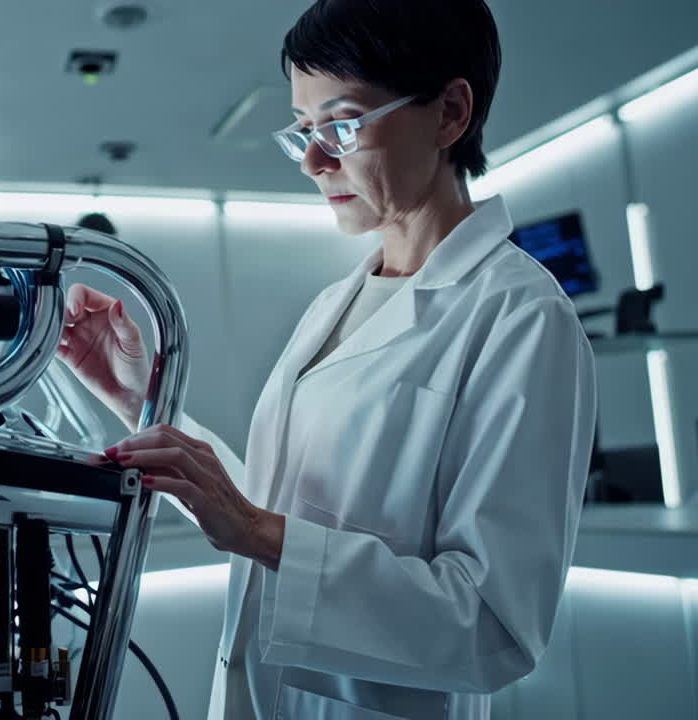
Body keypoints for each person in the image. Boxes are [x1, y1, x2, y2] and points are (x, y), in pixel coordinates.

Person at [56, 0, 597, 718]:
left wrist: (256, 531)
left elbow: (493, 627)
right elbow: (273, 511)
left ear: (449, 113)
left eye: (342, 125)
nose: (313, 160)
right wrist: (143, 400)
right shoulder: (336, 302)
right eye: (304, 131)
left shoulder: (522, 317)